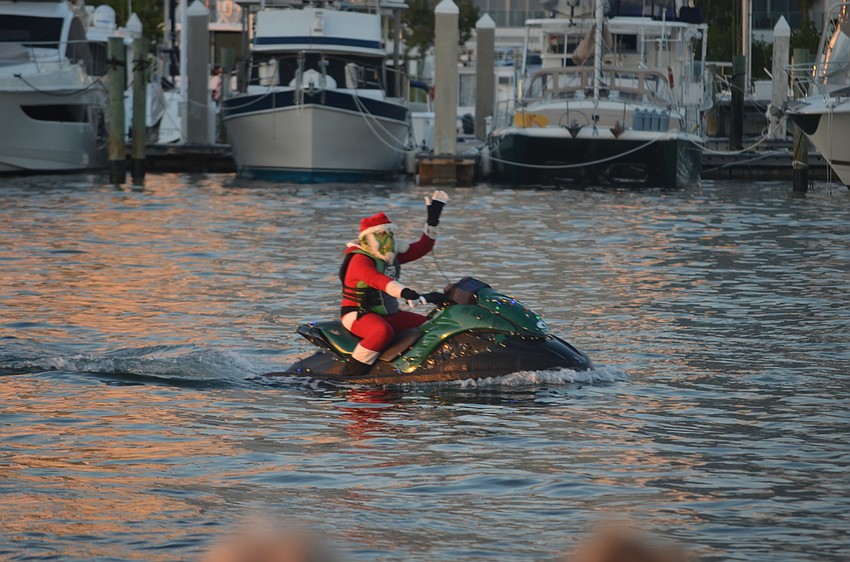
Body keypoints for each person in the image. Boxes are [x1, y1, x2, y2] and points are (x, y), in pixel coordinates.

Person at [339, 190, 449, 376]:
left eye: (390, 233)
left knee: (429, 326)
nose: (388, 239)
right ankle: (350, 375)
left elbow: (423, 247)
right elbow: (378, 280)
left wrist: (433, 219)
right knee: (381, 332)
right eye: (383, 234)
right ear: (369, 238)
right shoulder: (359, 259)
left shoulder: (389, 257)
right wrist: (405, 292)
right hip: (358, 314)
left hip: (389, 313)